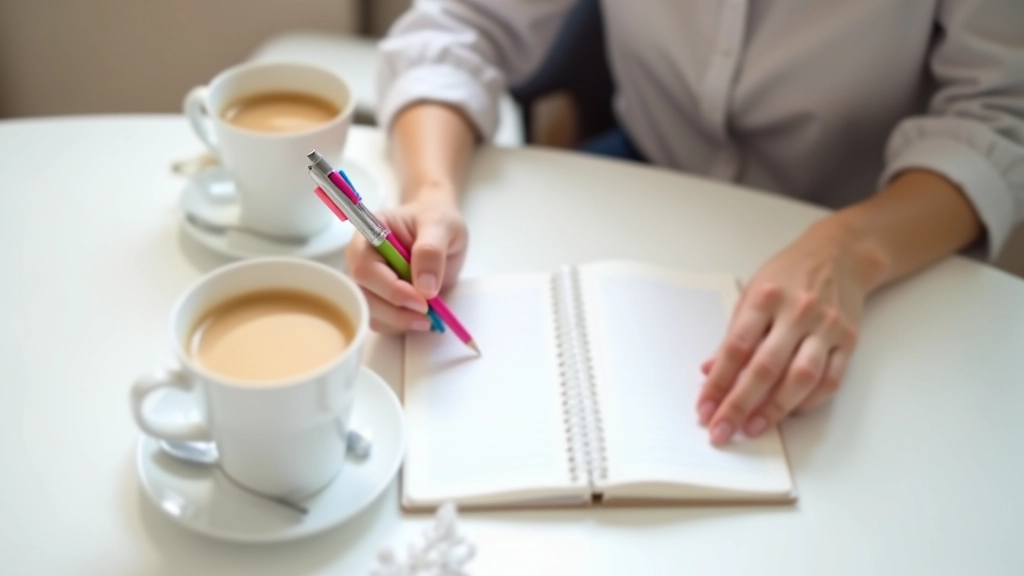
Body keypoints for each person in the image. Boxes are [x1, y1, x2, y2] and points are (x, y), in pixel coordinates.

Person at [346, 1, 1024, 445]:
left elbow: (995, 119)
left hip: (864, 220)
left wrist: (851, 247)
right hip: (650, 165)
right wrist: (431, 191)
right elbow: (459, 24)